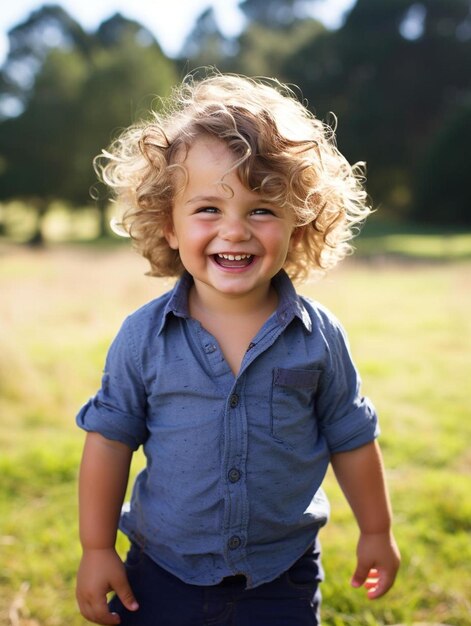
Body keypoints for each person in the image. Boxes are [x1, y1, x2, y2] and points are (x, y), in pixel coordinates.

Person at [75, 70, 400, 626]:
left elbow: (350, 435)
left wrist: (376, 530)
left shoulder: (319, 337)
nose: (235, 230)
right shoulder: (142, 337)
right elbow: (110, 441)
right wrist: (97, 548)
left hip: (282, 577)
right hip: (161, 574)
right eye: (208, 209)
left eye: (262, 209)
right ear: (169, 225)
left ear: (299, 226)